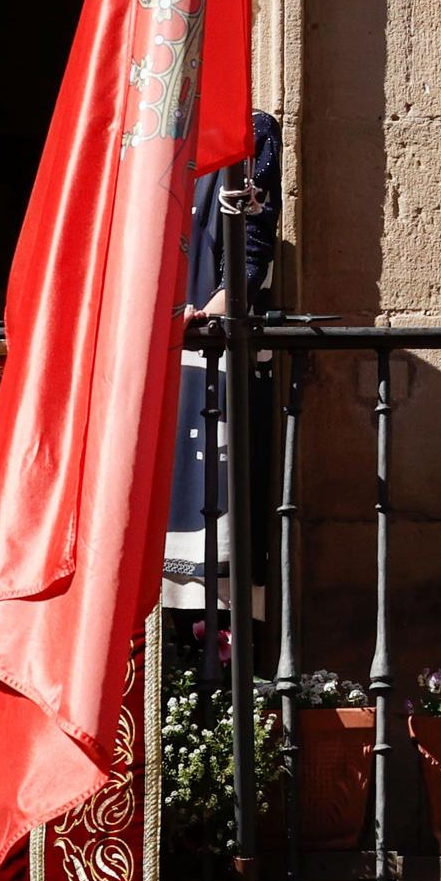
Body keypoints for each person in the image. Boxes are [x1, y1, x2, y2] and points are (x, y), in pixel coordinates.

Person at [163, 109, 282, 615]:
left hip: (201, 356)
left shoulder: (249, 129)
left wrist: (204, 315)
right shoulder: (134, 127)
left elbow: (250, 256)